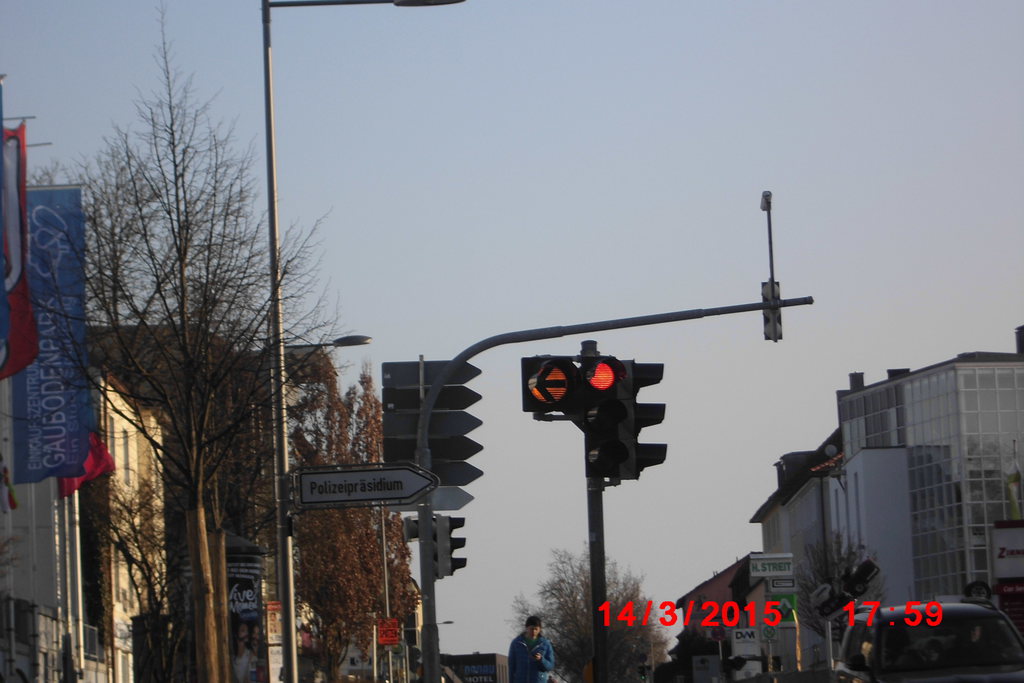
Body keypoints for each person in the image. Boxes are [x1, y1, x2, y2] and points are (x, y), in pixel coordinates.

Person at [509, 615, 555, 683]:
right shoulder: (516, 643)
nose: (533, 631)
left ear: (540, 629)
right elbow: (512, 666)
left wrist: (541, 660)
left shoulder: (545, 644)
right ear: (526, 628)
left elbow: (550, 665)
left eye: (536, 629)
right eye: (531, 629)